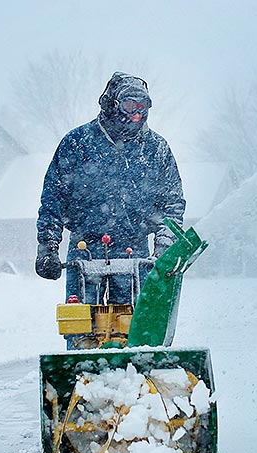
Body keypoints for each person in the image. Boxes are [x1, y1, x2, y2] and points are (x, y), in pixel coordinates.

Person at [35, 71, 186, 306]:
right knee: (81, 325)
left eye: (143, 106)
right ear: (113, 105)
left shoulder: (156, 149)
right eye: (129, 106)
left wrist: (164, 245)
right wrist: (47, 246)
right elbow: (53, 198)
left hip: (134, 250)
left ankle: (131, 344)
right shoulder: (77, 143)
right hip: (85, 248)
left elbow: (172, 203)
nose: (137, 115)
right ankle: (81, 343)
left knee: (134, 327)